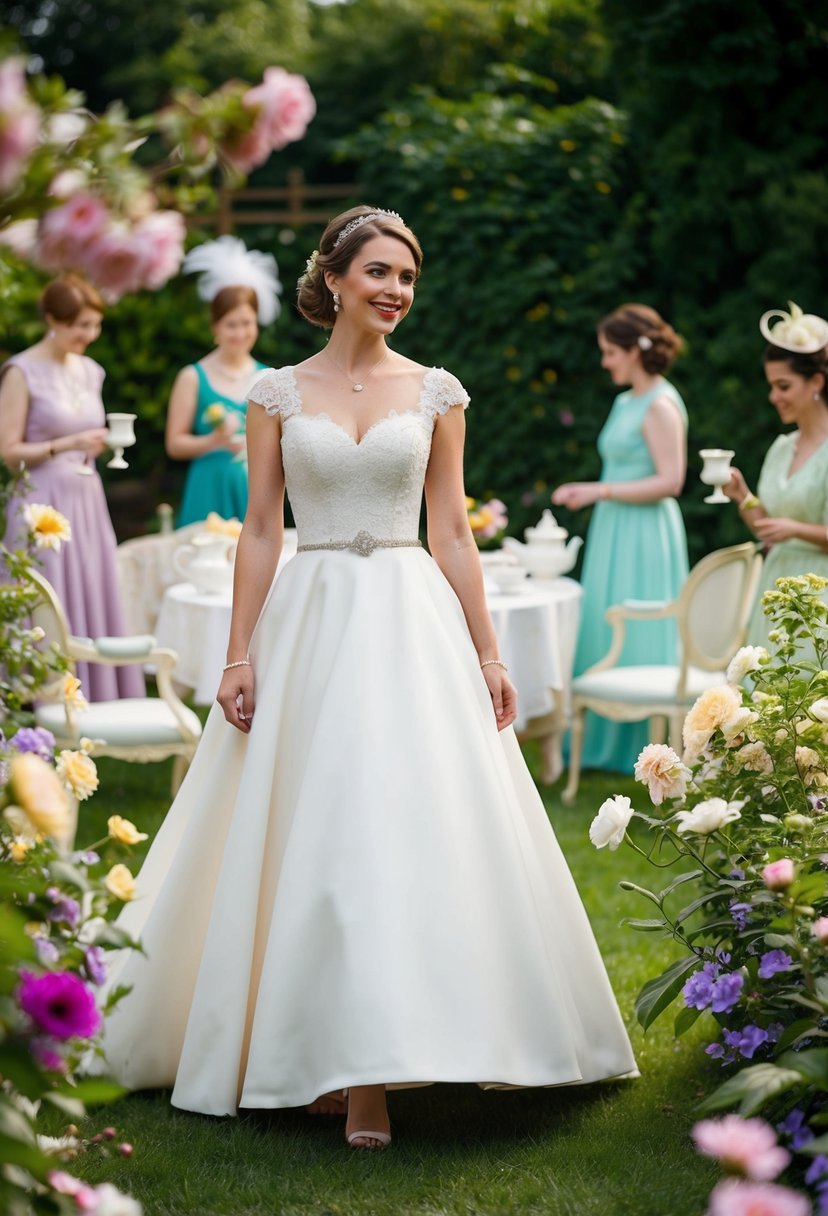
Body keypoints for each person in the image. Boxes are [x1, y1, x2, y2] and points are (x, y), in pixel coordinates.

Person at [100, 206, 637, 1150]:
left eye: (408, 277)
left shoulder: (437, 391)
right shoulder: (274, 394)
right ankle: (314, 1052)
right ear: (335, 278)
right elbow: (260, 531)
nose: (395, 290)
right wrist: (237, 652)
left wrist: (487, 652)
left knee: (396, 823)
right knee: (309, 828)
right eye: (380, 272)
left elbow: (454, 531)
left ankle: (378, 1071)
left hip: (406, 617)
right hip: (308, 620)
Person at [552, 303, 688, 774]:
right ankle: (601, 742)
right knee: (605, 620)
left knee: (641, 627)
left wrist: (598, 490)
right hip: (615, 527)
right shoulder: (626, 400)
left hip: (646, 533)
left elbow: (671, 480)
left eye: (611, 352)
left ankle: (646, 748)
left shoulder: (661, 404)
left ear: (636, 350)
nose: (606, 361)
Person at [0, 274, 144, 701]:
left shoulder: (90, 370)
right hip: (40, 507)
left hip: (86, 502)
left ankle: (93, 695)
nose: (89, 334)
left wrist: (99, 444)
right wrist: (68, 443)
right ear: (52, 319)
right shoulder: (21, 371)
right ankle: (34, 700)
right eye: (80, 325)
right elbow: (9, 451)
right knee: (48, 599)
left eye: (94, 325)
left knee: (89, 589)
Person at [723, 302, 828, 647]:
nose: (773, 397)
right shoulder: (782, 447)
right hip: (775, 589)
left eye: (783, 386)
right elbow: (766, 529)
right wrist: (743, 496)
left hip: (819, 597)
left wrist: (795, 529)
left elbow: (787, 529)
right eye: (771, 386)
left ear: (815, 381)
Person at [166, 237, 278, 526]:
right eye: (231, 324)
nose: (240, 333)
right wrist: (214, 441)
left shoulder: (270, 378)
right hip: (207, 487)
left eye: (246, 323)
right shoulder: (193, 376)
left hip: (252, 488)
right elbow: (175, 444)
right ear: (215, 326)